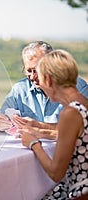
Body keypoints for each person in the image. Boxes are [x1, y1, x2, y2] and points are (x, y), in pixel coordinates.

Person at [18, 50, 88, 199]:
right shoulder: (83, 103)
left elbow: (55, 173)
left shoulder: (70, 113)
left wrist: (34, 144)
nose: (39, 85)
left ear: (48, 79)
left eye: (40, 79)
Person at [0, 41, 88, 134]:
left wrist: (39, 128)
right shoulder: (19, 89)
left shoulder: (77, 87)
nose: (32, 77)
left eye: (36, 70)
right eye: (28, 71)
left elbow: (78, 129)